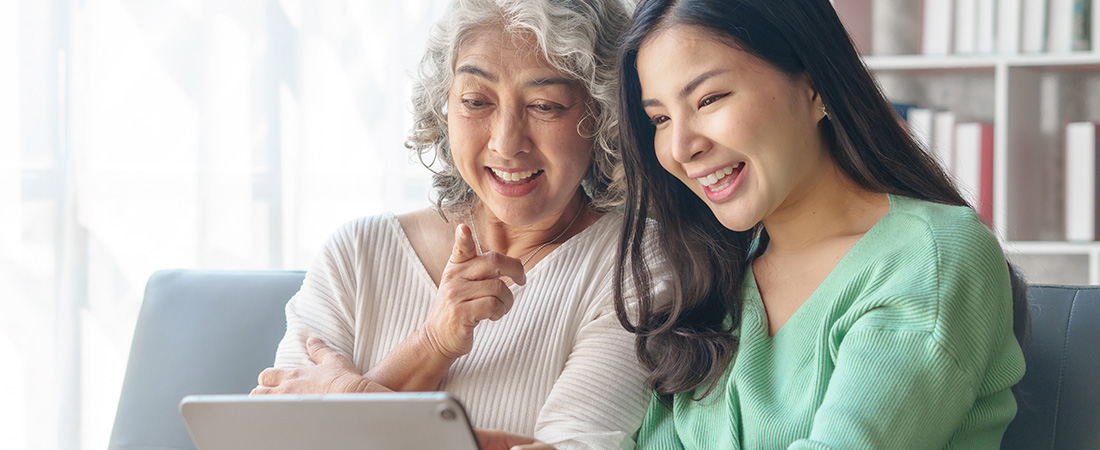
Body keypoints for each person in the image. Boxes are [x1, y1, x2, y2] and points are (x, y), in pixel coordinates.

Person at [611, 0, 1030, 448]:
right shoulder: (711, 286)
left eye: (709, 98)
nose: (681, 146)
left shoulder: (934, 256)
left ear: (814, 87)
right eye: (660, 119)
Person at [250, 0, 665, 448]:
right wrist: (432, 344)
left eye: (545, 106)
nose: (506, 143)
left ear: (603, 113)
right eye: (476, 101)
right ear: (444, 103)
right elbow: (273, 438)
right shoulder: (356, 253)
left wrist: (351, 397)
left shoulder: (638, 264)